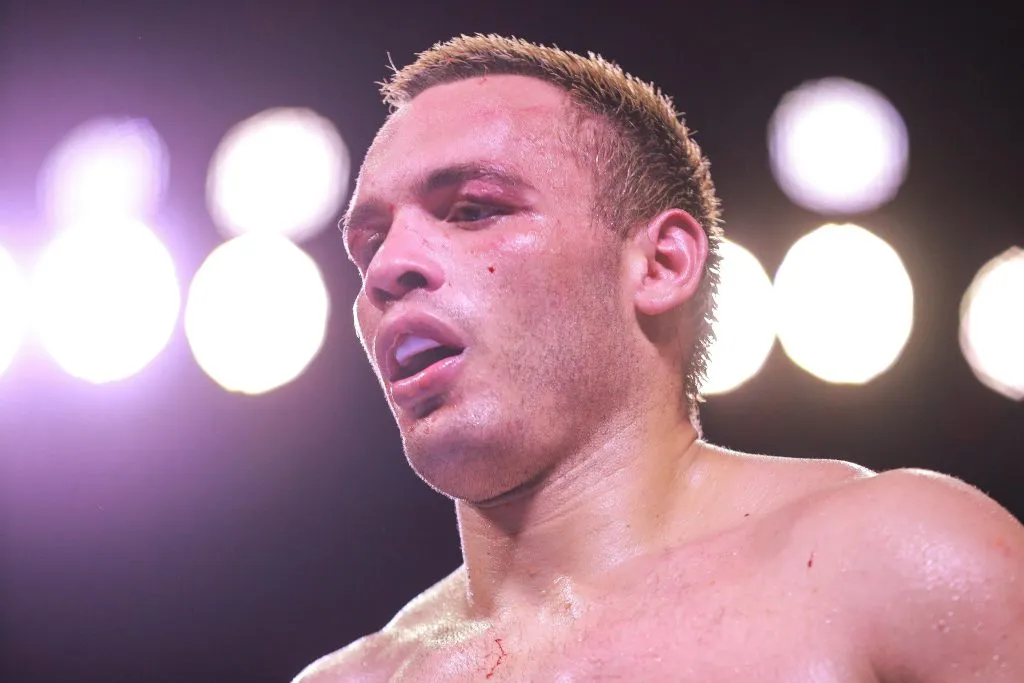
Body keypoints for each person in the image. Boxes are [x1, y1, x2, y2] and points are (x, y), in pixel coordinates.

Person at [294, 34, 1024, 682]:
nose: (390, 267)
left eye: (473, 208)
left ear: (661, 263)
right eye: (369, 244)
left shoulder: (902, 564)